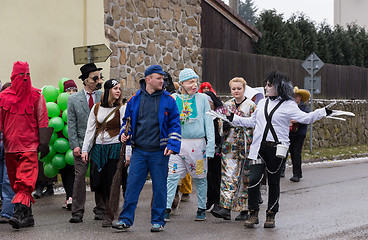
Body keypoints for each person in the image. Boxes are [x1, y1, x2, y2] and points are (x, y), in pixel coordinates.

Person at [228, 71, 329, 228]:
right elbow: (251, 122)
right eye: (266, 84)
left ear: (279, 87)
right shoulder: (261, 103)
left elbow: (306, 118)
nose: (266, 87)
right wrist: (231, 118)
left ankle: (271, 215)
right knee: (253, 181)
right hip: (258, 148)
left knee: (274, 182)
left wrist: (324, 112)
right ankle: (253, 213)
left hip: (276, 150)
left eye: (269, 85)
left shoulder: (289, 105)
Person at [112, 65, 181, 233]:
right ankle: (125, 219)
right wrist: (124, 134)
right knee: (132, 186)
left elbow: (175, 125)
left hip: (160, 152)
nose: (162, 81)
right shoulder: (135, 99)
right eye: (159, 78)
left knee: (159, 188)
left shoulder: (169, 100)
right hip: (140, 152)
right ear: (148, 79)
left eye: (163, 78)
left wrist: (172, 145)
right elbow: (126, 122)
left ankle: (158, 221)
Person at [0, 61, 51, 229]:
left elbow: (43, 120)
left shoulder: (37, 95)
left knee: (25, 182)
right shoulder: (3, 97)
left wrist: (43, 144)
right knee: (16, 184)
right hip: (10, 148)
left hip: (29, 147)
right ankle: (28, 216)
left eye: (27, 75)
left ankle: (18, 214)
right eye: (21, 75)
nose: (24, 79)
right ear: (13, 77)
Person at [165, 68, 215, 222]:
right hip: (177, 145)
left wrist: (210, 146)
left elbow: (209, 123)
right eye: (190, 82)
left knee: (200, 177)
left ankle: (201, 207)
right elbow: (167, 121)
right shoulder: (174, 99)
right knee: (172, 176)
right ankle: (166, 207)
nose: (194, 84)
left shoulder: (202, 99)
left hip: (198, 146)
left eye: (195, 81)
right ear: (181, 83)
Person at [81, 79, 130, 227]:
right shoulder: (96, 108)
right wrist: (85, 149)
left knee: (112, 180)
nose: (118, 91)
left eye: (119, 89)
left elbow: (127, 131)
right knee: (97, 179)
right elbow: (90, 130)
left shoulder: (121, 109)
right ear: (108, 90)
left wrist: (128, 152)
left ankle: (110, 211)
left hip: (114, 147)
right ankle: (100, 208)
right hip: (98, 148)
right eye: (115, 88)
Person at [211, 77, 256, 221]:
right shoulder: (227, 105)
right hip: (229, 147)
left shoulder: (251, 105)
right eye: (233, 89)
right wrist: (223, 127)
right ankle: (226, 208)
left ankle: (244, 209)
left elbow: (256, 124)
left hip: (245, 147)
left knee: (244, 178)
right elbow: (219, 121)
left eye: (239, 88)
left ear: (244, 89)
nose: (236, 91)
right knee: (228, 176)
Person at [68, 63, 103, 223]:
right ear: (85, 80)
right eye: (94, 78)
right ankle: (77, 211)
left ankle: (101, 209)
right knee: (79, 178)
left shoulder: (102, 96)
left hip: (99, 144)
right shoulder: (73, 99)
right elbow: (71, 124)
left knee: (100, 176)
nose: (98, 80)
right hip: (81, 144)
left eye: (99, 77)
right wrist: (75, 145)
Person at [202, 90, 223, 214]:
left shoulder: (220, 114)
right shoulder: (204, 114)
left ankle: (217, 201)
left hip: (218, 149)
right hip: (205, 148)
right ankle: (210, 199)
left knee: (216, 176)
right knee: (207, 175)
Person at [58, 79, 78, 210]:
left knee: (72, 172)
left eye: (74, 90)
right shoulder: (59, 105)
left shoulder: (78, 103)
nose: (71, 92)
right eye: (68, 90)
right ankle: (68, 197)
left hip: (73, 145)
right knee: (64, 174)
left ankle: (72, 197)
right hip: (61, 147)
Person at [288, 86, 311, 182]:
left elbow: (307, 119)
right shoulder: (290, 107)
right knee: (291, 153)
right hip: (289, 132)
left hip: (300, 133)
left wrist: (296, 120)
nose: (295, 98)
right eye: (293, 96)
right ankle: (294, 173)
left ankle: (297, 174)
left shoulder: (305, 108)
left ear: (300, 97)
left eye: (297, 96)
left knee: (296, 153)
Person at [0, 82, 15, 224]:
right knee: (6, 180)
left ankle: (7, 211)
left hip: (9, 144)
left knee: (7, 179)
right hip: (9, 142)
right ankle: (6, 211)